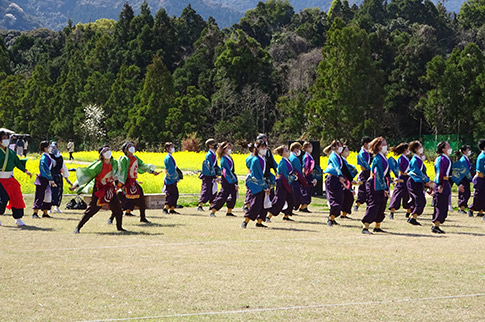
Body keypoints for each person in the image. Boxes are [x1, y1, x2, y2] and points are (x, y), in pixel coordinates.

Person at [72, 146, 125, 233]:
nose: (107, 152)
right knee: (93, 209)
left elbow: (117, 174)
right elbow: (87, 175)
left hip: (110, 189)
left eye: (108, 150)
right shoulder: (98, 165)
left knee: (118, 208)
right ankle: (78, 227)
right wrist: (76, 185)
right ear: (101, 155)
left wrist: (119, 185)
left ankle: (119, 228)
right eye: (105, 151)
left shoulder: (114, 162)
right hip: (99, 189)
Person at [110, 142, 159, 224]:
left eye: (132, 146)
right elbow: (121, 172)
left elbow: (142, 165)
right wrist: (120, 183)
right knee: (122, 202)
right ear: (126, 149)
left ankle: (143, 217)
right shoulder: (124, 159)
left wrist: (152, 171)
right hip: (125, 182)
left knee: (141, 199)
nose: (132, 147)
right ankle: (111, 218)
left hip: (133, 182)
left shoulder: (135, 158)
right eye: (130, 146)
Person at [0, 131, 32, 226]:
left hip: (10, 179)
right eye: (3, 138)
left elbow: (17, 162)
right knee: (2, 199)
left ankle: (18, 218)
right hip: (0, 180)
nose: (6, 139)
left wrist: (26, 171)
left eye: (7, 137)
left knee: (17, 197)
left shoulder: (11, 152)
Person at [361, 137, 390, 234]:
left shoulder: (383, 157)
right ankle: (365, 226)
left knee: (382, 204)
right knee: (374, 204)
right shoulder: (377, 158)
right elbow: (378, 173)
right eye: (383, 144)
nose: (385, 146)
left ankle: (377, 226)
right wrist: (384, 187)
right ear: (378, 147)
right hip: (374, 183)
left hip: (380, 182)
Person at [241, 140, 270, 228]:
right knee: (256, 205)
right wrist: (264, 185)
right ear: (257, 148)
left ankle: (260, 222)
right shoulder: (256, 160)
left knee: (264, 206)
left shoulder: (263, 159)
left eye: (265, 147)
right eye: (262, 147)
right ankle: (245, 221)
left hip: (262, 183)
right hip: (257, 185)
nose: (264, 149)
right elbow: (258, 175)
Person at [266, 145, 297, 222]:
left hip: (287, 182)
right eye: (286, 151)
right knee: (279, 200)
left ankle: (286, 215)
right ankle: (269, 216)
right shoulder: (282, 162)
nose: (288, 152)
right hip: (282, 182)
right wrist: (293, 177)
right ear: (282, 153)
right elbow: (284, 175)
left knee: (291, 199)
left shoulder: (287, 161)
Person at [406, 141, 433, 226]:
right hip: (414, 181)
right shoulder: (415, 159)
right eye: (419, 147)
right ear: (415, 149)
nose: (422, 148)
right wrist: (426, 180)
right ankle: (413, 216)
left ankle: (412, 216)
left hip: (417, 181)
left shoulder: (418, 159)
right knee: (420, 200)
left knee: (417, 200)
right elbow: (417, 172)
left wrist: (427, 179)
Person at [210, 142, 238, 217]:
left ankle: (229, 211)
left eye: (230, 148)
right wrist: (233, 181)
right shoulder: (223, 159)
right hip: (227, 179)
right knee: (223, 195)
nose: (229, 149)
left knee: (233, 195)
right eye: (227, 148)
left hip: (231, 177)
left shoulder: (229, 157)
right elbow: (227, 171)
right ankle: (213, 210)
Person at [431, 142, 453, 234]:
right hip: (442, 183)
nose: (450, 147)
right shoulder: (441, 159)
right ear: (443, 149)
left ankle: (437, 224)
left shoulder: (446, 158)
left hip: (445, 182)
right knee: (440, 204)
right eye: (448, 146)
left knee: (443, 204)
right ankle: (436, 225)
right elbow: (440, 172)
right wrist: (440, 184)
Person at [323, 140, 345, 226]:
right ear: (334, 147)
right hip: (331, 179)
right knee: (333, 199)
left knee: (340, 198)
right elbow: (336, 166)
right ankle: (330, 218)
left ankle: (333, 217)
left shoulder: (338, 156)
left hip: (337, 179)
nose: (340, 147)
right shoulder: (333, 156)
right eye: (339, 145)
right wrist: (340, 175)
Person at [388, 143, 412, 220]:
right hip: (402, 177)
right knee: (397, 195)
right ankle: (392, 212)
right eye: (408, 149)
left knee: (407, 195)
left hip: (407, 177)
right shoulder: (401, 158)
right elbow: (397, 169)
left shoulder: (406, 158)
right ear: (405, 149)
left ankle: (409, 212)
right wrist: (396, 177)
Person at [33, 141, 56, 219]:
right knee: (39, 195)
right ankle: (35, 213)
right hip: (42, 178)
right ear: (45, 148)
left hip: (46, 179)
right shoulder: (44, 157)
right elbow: (44, 169)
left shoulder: (48, 156)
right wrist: (50, 178)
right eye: (49, 146)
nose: (51, 148)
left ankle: (45, 212)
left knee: (47, 196)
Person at [49, 142, 72, 214]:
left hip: (58, 176)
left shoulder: (60, 156)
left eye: (55, 147)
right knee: (50, 192)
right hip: (50, 176)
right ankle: (49, 208)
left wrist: (66, 178)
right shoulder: (48, 156)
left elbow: (63, 167)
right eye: (52, 147)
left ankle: (57, 207)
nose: (53, 149)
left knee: (59, 191)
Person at [197, 139, 220, 212]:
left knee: (213, 190)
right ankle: (200, 205)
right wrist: (213, 174)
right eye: (214, 143)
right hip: (208, 175)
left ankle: (211, 204)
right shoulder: (209, 154)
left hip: (212, 174)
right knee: (206, 189)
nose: (215, 145)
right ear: (210, 145)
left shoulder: (213, 154)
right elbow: (209, 165)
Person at [455, 145, 474, 216]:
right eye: (467, 150)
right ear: (464, 151)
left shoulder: (466, 159)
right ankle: (461, 208)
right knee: (463, 194)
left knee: (467, 193)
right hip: (463, 179)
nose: (469, 151)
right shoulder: (463, 159)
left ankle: (463, 207)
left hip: (466, 179)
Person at [289, 142, 308, 214]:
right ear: (295, 149)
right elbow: (298, 171)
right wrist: (303, 181)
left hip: (289, 179)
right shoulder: (295, 159)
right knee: (296, 196)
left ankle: (289, 210)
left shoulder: (289, 157)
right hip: (295, 179)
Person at [354, 136, 372, 211]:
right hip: (364, 173)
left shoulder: (367, 152)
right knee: (363, 190)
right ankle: (356, 204)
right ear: (365, 144)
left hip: (368, 172)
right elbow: (362, 165)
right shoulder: (362, 153)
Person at [340, 146, 358, 219]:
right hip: (344, 181)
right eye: (346, 150)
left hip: (347, 181)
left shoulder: (345, 160)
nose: (348, 152)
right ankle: (343, 213)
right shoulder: (342, 160)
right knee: (347, 197)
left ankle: (344, 214)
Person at [163, 142, 180, 215]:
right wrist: (176, 178)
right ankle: (166, 208)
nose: (173, 148)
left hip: (171, 178)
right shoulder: (168, 158)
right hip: (170, 179)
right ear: (167, 149)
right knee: (170, 194)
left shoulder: (169, 157)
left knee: (175, 194)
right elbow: (171, 170)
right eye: (171, 147)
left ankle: (172, 208)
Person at [470, 139, 485, 218]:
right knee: (478, 196)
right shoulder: (482, 157)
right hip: (480, 179)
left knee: (483, 196)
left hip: (483, 179)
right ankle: (471, 209)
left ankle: (480, 211)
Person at [300, 142, 317, 213]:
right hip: (307, 175)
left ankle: (305, 206)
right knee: (306, 190)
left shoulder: (309, 155)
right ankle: (303, 206)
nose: (311, 148)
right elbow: (306, 166)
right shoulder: (306, 156)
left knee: (309, 190)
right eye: (309, 147)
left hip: (310, 174)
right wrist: (307, 174)